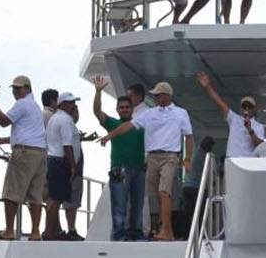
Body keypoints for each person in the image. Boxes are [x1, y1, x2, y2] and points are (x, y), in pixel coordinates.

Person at [98, 82, 194, 241]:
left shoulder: (181, 113)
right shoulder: (150, 113)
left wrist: (187, 158)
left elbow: (189, 136)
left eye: (158, 95)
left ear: (167, 95)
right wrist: (110, 135)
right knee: (152, 196)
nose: (155, 97)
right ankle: (157, 229)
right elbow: (129, 125)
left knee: (164, 192)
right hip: (151, 158)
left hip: (170, 157)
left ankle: (167, 230)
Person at [0, 75, 46, 240]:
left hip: (24, 153)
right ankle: (35, 232)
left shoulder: (22, 104)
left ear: (27, 88)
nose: (15, 91)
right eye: (13, 88)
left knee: (11, 193)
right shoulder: (35, 106)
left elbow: (3, 121)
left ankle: (9, 231)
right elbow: (27, 133)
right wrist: (2, 140)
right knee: (36, 196)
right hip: (40, 153)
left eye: (18, 88)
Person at [92, 78, 147, 241]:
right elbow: (97, 112)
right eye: (121, 107)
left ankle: (136, 234)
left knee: (137, 206)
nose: (124, 110)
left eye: (127, 107)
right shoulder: (112, 123)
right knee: (119, 205)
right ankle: (119, 235)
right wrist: (98, 92)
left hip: (139, 170)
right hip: (119, 170)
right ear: (117, 109)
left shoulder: (140, 124)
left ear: (132, 109)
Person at [43, 92, 83, 240]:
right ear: (63, 104)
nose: (74, 105)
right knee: (56, 200)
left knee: (55, 198)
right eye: (71, 102)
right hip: (61, 162)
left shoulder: (54, 118)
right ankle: (49, 232)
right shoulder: (66, 120)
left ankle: (50, 231)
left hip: (53, 160)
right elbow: (67, 146)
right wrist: (73, 166)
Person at [196, 71, 265, 158]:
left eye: (249, 107)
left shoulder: (259, 126)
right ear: (241, 108)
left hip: (248, 163)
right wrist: (208, 87)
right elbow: (220, 103)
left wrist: (250, 130)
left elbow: (260, 147)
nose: (246, 109)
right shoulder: (234, 119)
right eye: (244, 106)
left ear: (254, 109)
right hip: (232, 160)